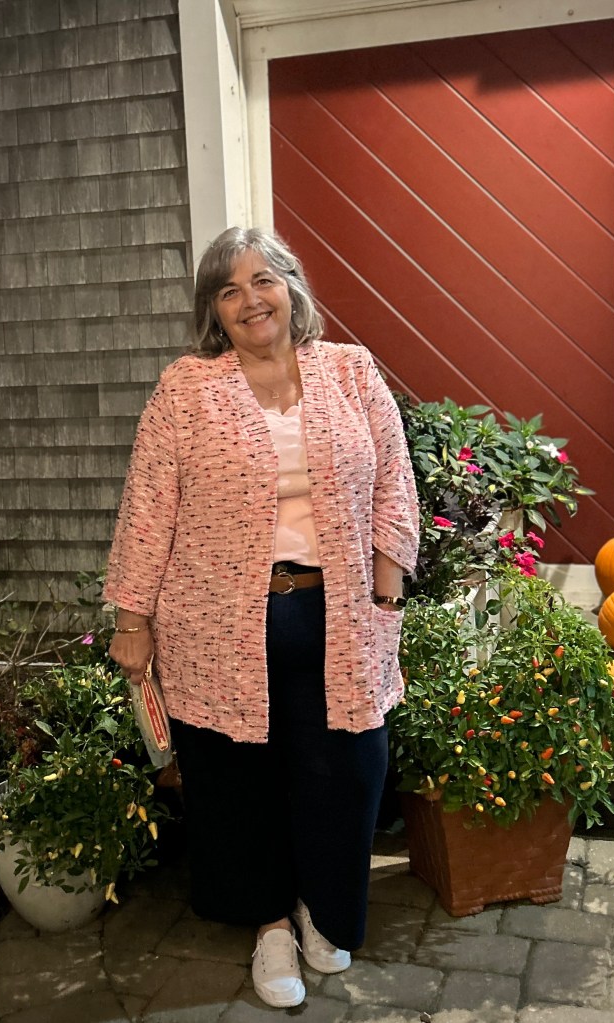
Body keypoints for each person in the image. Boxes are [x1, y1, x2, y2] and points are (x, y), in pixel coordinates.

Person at [104, 226, 419, 1009]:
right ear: (214, 310)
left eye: (262, 280)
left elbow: (393, 477)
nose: (250, 300)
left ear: (291, 287)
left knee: (344, 769)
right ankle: (269, 922)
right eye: (228, 290)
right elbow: (148, 506)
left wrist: (387, 588)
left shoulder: (349, 370)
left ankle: (323, 908)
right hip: (216, 623)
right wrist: (132, 619)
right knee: (237, 779)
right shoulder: (187, 388)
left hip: (340, 615)